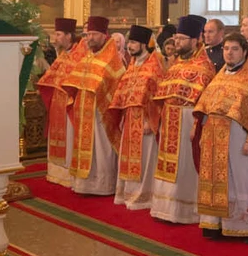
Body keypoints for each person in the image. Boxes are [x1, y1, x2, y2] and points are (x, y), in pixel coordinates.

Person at [194, 32, 248, 240]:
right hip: (214, 138)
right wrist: (201, 130)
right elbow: (206, 106)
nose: (229, 53)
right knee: (218, 182)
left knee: (244, 180)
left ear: (244, 52)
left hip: (240, 138)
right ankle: (216, 223)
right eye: (226, 49)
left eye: (234, 49)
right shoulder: (219, 76)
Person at [151, 16, 219, 225]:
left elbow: (206, 101)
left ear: (195, 40)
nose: (177, 42)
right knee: (167, 164)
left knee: (186, 166)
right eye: (176, 38)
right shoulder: (175, 64)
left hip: (189, 121)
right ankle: (164, 208)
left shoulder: (205, 66)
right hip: (169, 120)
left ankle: (185, 210)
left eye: (181, 39)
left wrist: (197, 125)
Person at [63, 16, 125, 198]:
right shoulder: (87, 57)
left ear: (104, 35)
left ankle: (103, 185)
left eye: (94, 34)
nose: (90, 38)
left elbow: (117, 85)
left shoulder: (112, 59)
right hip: (84, 110)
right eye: (88, 34)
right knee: (84, 145)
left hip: (101, 113)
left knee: (101, 148)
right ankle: (83, 184)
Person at [108, 26, 163, 210]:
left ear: (143, 44)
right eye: (129, 42)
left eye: (133, 42)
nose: (129, 46)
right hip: (130, 119)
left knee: (145, 160)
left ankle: (144, 196)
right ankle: (128, 193)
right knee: (128, 158)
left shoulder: (154, 66)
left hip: (145, 122)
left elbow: (157, 96)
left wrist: (150, 120)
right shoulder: (132, 65)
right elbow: (123, 91)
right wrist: (121, 115)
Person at [36, 18, 86, 187]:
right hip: (57, 104)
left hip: (69, 104)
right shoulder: (64, 54)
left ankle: (68, 175)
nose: (55, 38)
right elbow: (52, 75)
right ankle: (56, 173)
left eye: (58, 34)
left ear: (68, 35)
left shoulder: (81, 54)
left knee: (69, 138)